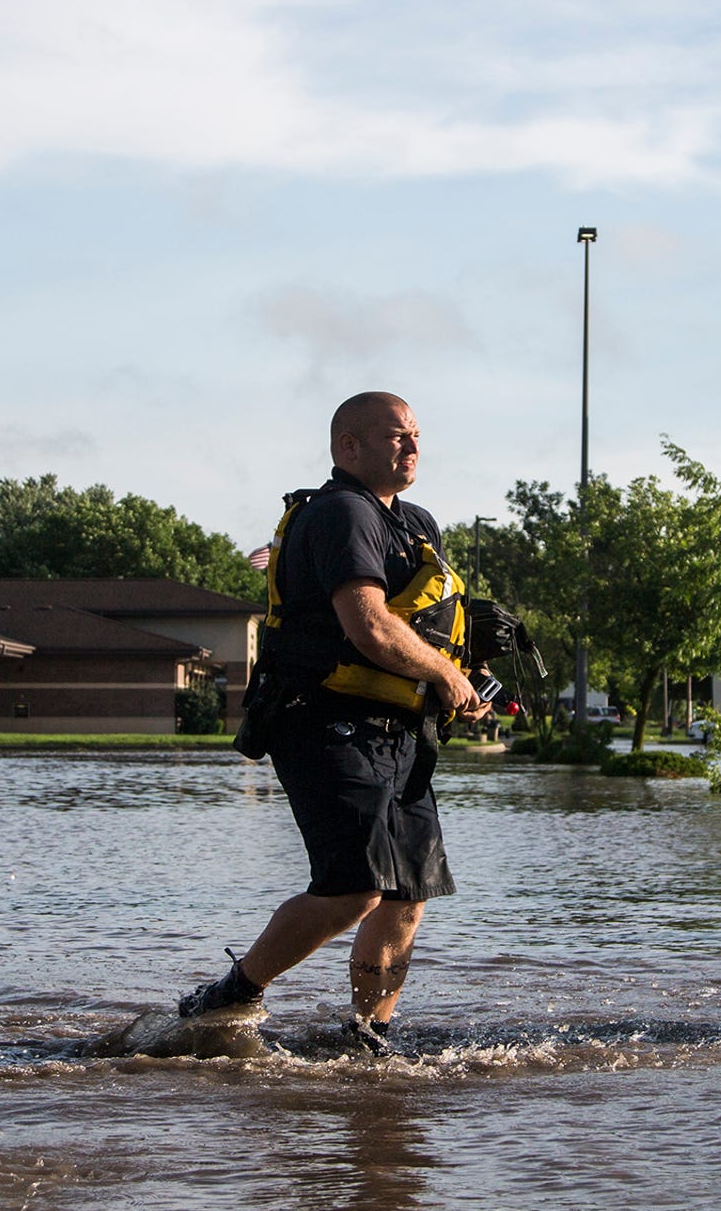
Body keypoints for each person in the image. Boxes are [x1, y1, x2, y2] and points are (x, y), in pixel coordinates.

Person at [177, 392, 491, 1055]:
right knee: (353, 888)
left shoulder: (415, 523)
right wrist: (444, 674)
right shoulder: (343, 514)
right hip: (323, 721)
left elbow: (420, 625)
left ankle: (366, 1034)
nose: (410, 448)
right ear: (348, 447)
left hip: (397, 732)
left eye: (414, 437)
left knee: (408, 891)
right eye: (394, 437)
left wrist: (463, 676)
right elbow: (369, 626)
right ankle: (227, 999)